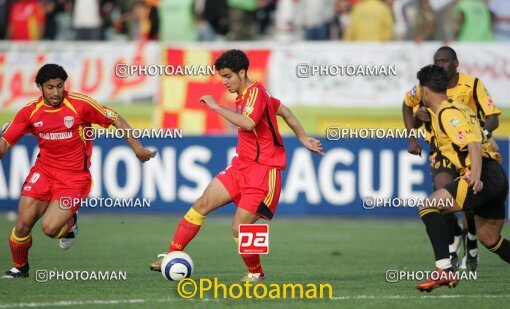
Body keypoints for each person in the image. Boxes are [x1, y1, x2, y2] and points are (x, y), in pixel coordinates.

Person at [149, 49, 324, 282]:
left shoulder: (256, 92)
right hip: (240, 166)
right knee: (202, 204)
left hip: (264, 172)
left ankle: (256, 274)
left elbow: (249, 123)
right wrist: (303, 137)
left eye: (228, 76)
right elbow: (284, 111)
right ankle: (172, 255)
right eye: (222, 77)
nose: (224, 82)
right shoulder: (250, 95)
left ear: (242, 73)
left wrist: (216, 107)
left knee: (239, 226)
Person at [0, 64, 156, 279]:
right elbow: (4, 147)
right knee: (23, 224)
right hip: (43, 172)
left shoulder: (81, 105)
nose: (56, 92)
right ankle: (20, 268)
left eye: (60, 86)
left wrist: (138, 148)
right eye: (50, 87)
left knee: (49, 229)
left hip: (74, 179)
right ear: (39, 87)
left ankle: (71, 223)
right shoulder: (29, 112)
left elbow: (115, 118)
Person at [402, 46, 502, 272]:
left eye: (445, 60)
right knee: (443, 192)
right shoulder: (424, 86)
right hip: (441, 149)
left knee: (466, 199)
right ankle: (455, 236)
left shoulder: (472, 85)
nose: (440, 65)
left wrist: (482, 137)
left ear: (456, 63)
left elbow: (492, 118)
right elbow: (407, 107)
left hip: (468, 149)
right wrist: (412, 135)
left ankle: (471, 239)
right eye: (437, 61)